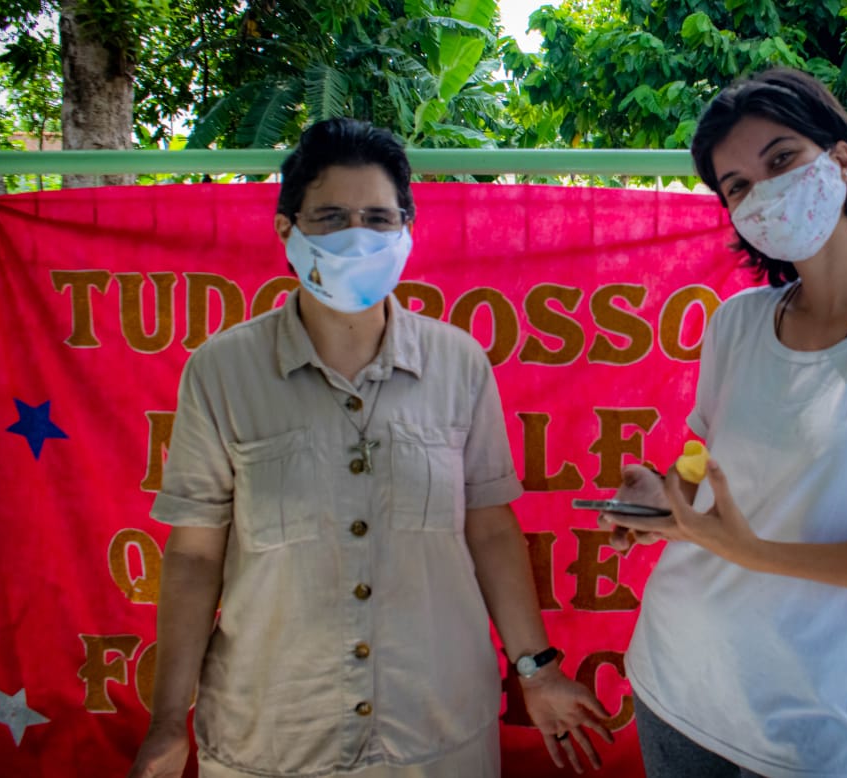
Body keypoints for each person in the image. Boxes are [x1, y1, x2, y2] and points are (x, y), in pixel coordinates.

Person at [127, 117, 611, 778]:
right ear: (286, 230)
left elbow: (491, 530)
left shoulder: (459, 364)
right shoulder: (221, 371)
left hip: (437, 730)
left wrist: (537, 668)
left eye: (378, 218)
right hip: (270, 735)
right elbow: (193, 555)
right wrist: (165, 720)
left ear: (406, 230)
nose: (357, 236)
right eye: (330, 217)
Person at [598, 67, 847, 777]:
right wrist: (667, 495)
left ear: (841, 159)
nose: (764, 191)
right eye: (737, 186)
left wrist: (752, 552)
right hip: (672, 677)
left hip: (802, 727)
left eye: (781, 159)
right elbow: (704, 457)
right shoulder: (736, 322)